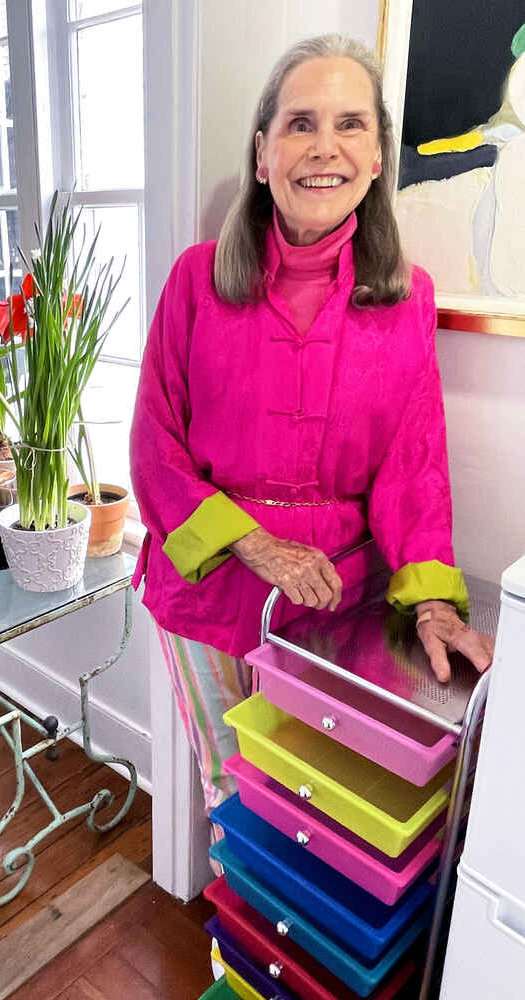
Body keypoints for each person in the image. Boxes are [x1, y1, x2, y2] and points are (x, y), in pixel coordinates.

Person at [130, 34, 495, 830]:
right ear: (262, 154)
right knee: (234, 791)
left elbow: (415, 466)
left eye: (350, 125)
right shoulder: (196, 279)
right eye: (299, 123)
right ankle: (241, 947)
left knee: (319, 805)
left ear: (375, 159)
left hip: (336, 606)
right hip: (207, 591)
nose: (323, 147)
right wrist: (258, 547)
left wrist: (433, 604)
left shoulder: (407, 301)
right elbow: (154, 451)